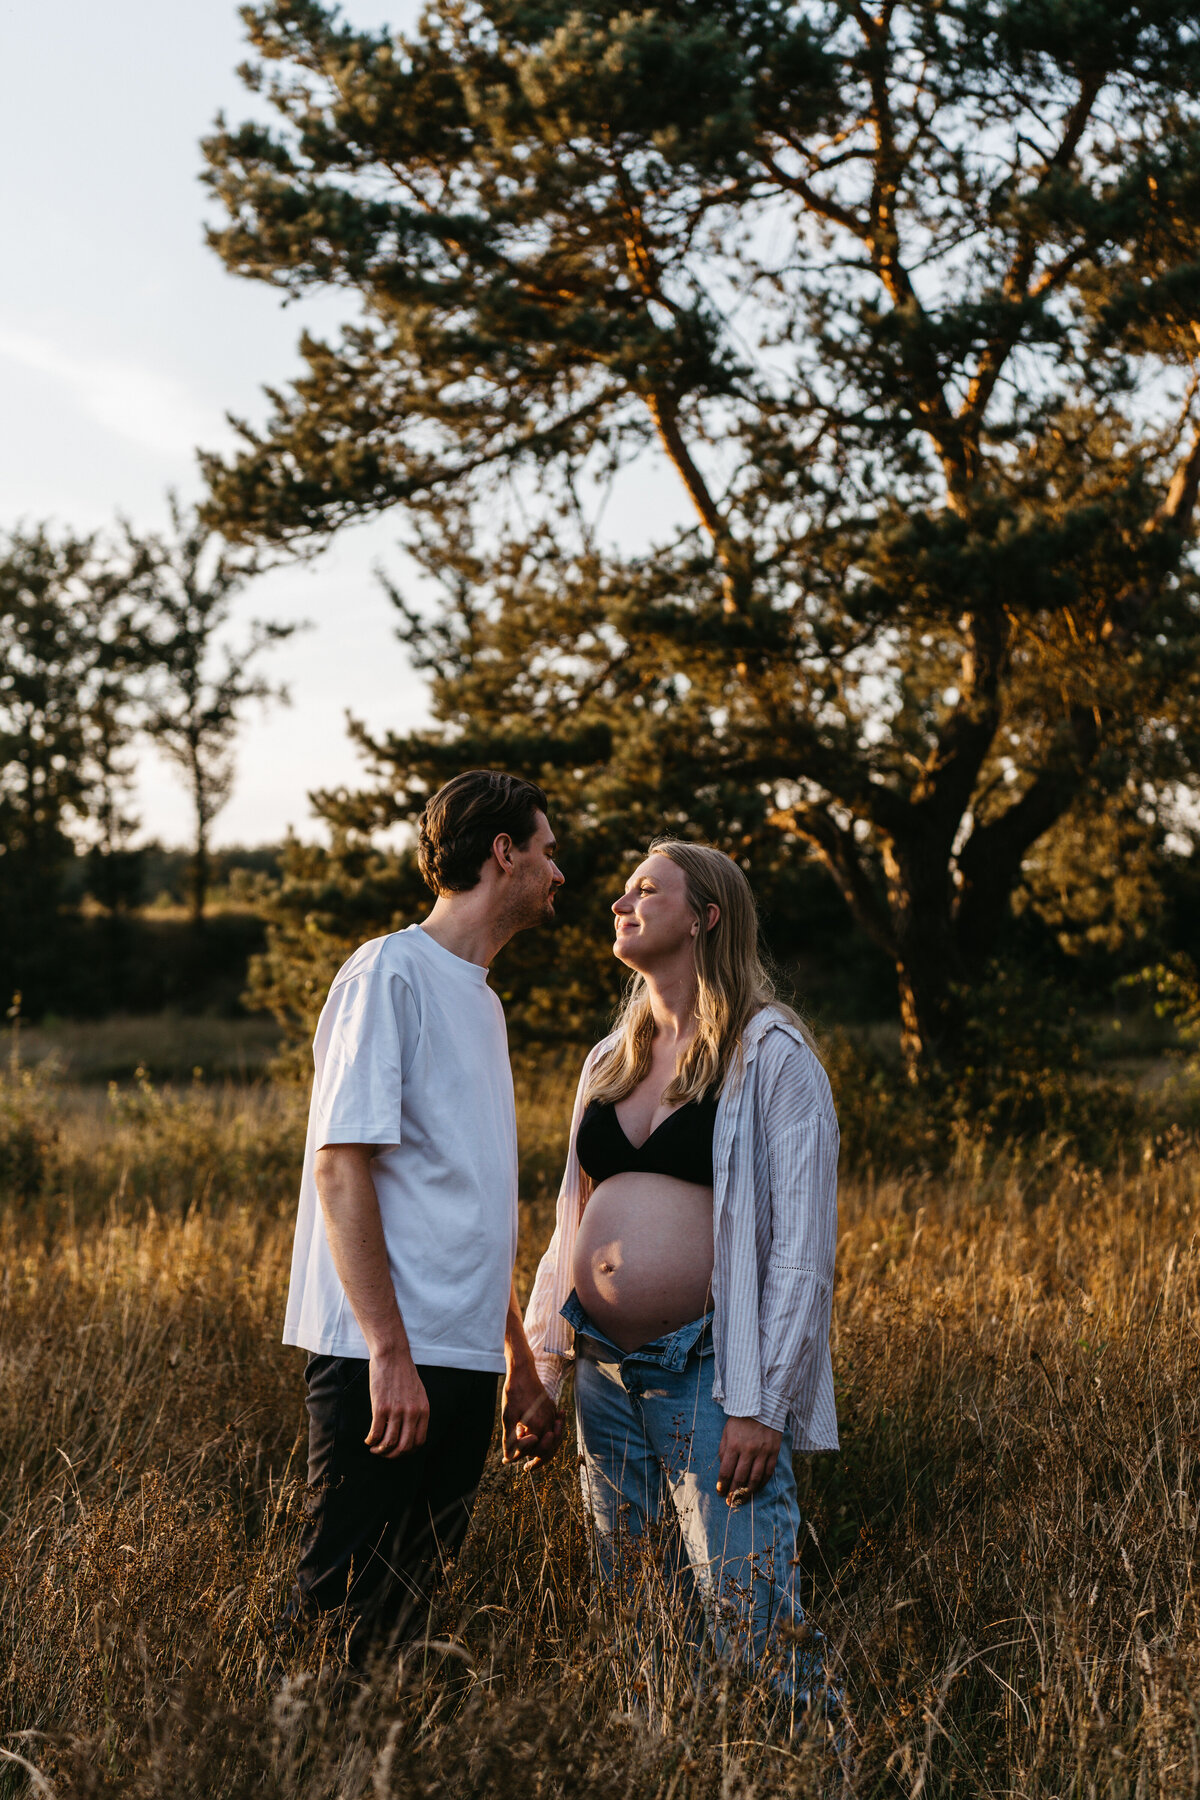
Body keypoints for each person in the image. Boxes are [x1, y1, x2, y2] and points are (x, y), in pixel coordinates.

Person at [523, 840, 839, 1707]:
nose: (620, 903)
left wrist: (762, 1405)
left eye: (646, 890)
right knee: (639, 1624)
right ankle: (669, 1765)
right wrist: (545, 1368)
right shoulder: (609, 1059)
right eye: (624, 891)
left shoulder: (770, 1054)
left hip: (711, 1374)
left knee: (752, 1620)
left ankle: (811, 1764)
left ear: (705, 917)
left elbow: (803, 1251)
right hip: (603, 1373)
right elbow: (569, 1224)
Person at [280, 770, 566, 1668]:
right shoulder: (387, 972)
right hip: (386, 1360)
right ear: (504, 853)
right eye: (547, 851)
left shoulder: (482, 1001)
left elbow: (468, 1208)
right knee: (339, 1604)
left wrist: (516, 1361)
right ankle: (288, 1740)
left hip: (462, 1359)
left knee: (408, 1609)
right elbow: (339, 1167)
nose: (559, 873)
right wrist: (388, 1354)